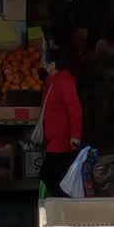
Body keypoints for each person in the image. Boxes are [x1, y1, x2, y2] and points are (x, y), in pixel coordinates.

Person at [38, 47, 83, 197]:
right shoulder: (51, 80)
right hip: (54, 138)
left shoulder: (65, 81)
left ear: (53, 64)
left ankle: (63, 203)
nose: (42, 64)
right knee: (56, 176)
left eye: (45, 62)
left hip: (62, 140)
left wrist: (75, 135)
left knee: (48, 175)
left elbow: (75, 109)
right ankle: (62, 202)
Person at [93, 23, 114, 146]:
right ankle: (105, 135)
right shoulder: (100, 44)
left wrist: (108, 59)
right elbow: (98, 61)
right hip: (104, 80)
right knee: (104, 108)